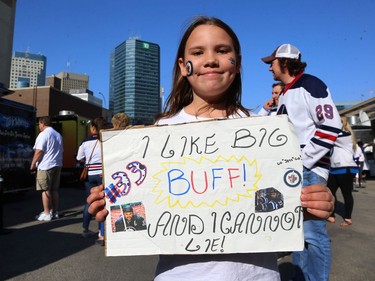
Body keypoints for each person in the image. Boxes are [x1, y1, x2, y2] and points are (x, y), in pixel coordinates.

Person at [88, 17, 335, 281]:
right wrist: (111, 204)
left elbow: (273, 203)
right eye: (198, 52)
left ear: (237, 64)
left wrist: (306, 206)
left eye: (222, 50)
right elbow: (146, 209)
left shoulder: (266, 135)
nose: (210, 60)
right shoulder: (157, 135)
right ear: (184, 67)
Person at [261, 43, 342, 281]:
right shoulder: (286, 91)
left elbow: (331, 126)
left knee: (313, 234)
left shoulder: (310, 84)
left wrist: (303, 162)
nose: (269, 69)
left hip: (308, 169)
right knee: (297, 233)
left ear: (284, 62)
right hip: (295, 169)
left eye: (272, 63)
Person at [76, 116, 106, 242]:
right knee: (103, 203)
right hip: (102, 174)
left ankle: (85, 229)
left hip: (90, 175)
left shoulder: (85, 142)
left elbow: (79, 158)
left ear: (93, 127)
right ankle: (102, 232)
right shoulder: (105, 140)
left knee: (90, 201)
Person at [327, 116, 358, 227]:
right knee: (330, 192)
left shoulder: (345, 135)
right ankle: (331, 214)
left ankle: (348, 218)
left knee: (346, 194)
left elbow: (329, 137)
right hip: (334, 169)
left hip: (345, 169)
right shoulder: (338, 135)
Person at [30, 116, 63, 221]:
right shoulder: (58, 135)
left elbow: (39, 151)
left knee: (45, 190)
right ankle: (55, 212)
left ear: (42, 123)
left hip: (45, 166)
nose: (39, 126)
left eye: (39, 124)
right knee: (54, 190)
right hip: (57, 164)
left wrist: (33, 164)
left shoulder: (43, 134)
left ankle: (46, 213)